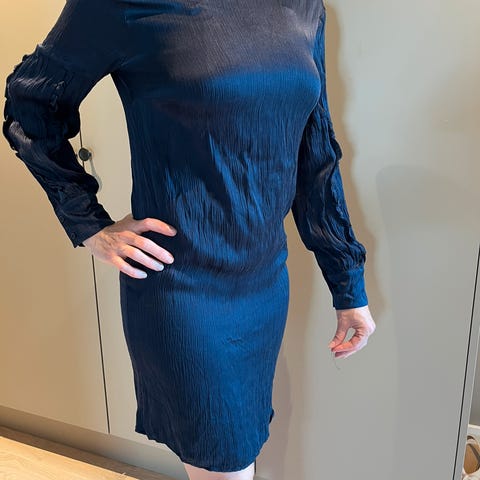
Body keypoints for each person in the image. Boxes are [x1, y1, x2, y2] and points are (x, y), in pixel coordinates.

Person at [2, 0, 376, 479]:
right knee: (225, 462)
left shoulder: (303, 7)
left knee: (237, 453)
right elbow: (31, 104)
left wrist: (348, 284)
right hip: (182, 287)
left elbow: (315, 152)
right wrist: (89, 224)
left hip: (264, 281)